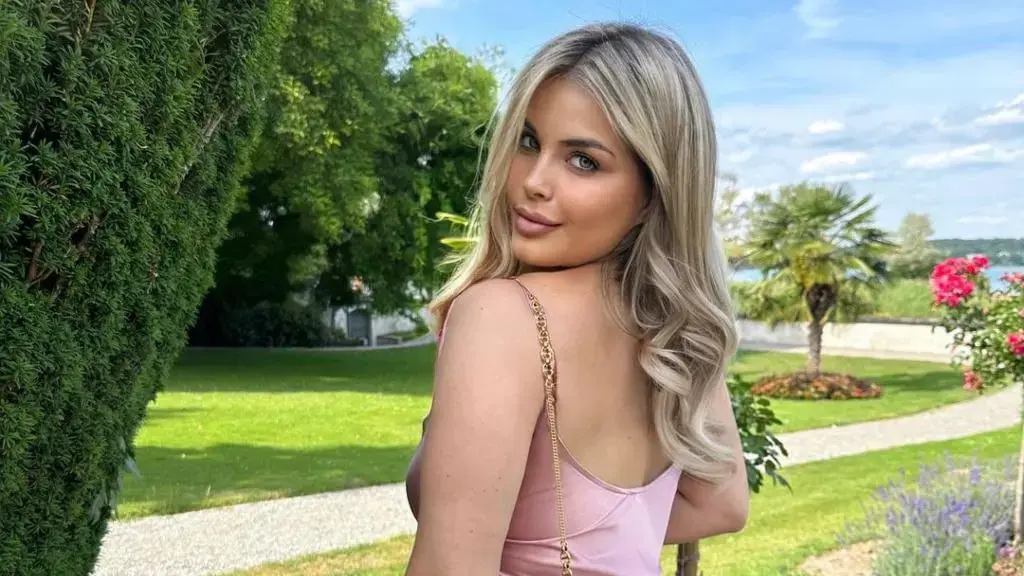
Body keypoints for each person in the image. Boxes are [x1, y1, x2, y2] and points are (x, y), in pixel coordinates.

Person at [403, 21, 749, 576]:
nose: (533, 181)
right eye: (528, 141)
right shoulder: (675, 329)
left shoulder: (503, 317)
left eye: (583, 160)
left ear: (652, 194)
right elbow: (722, 505)